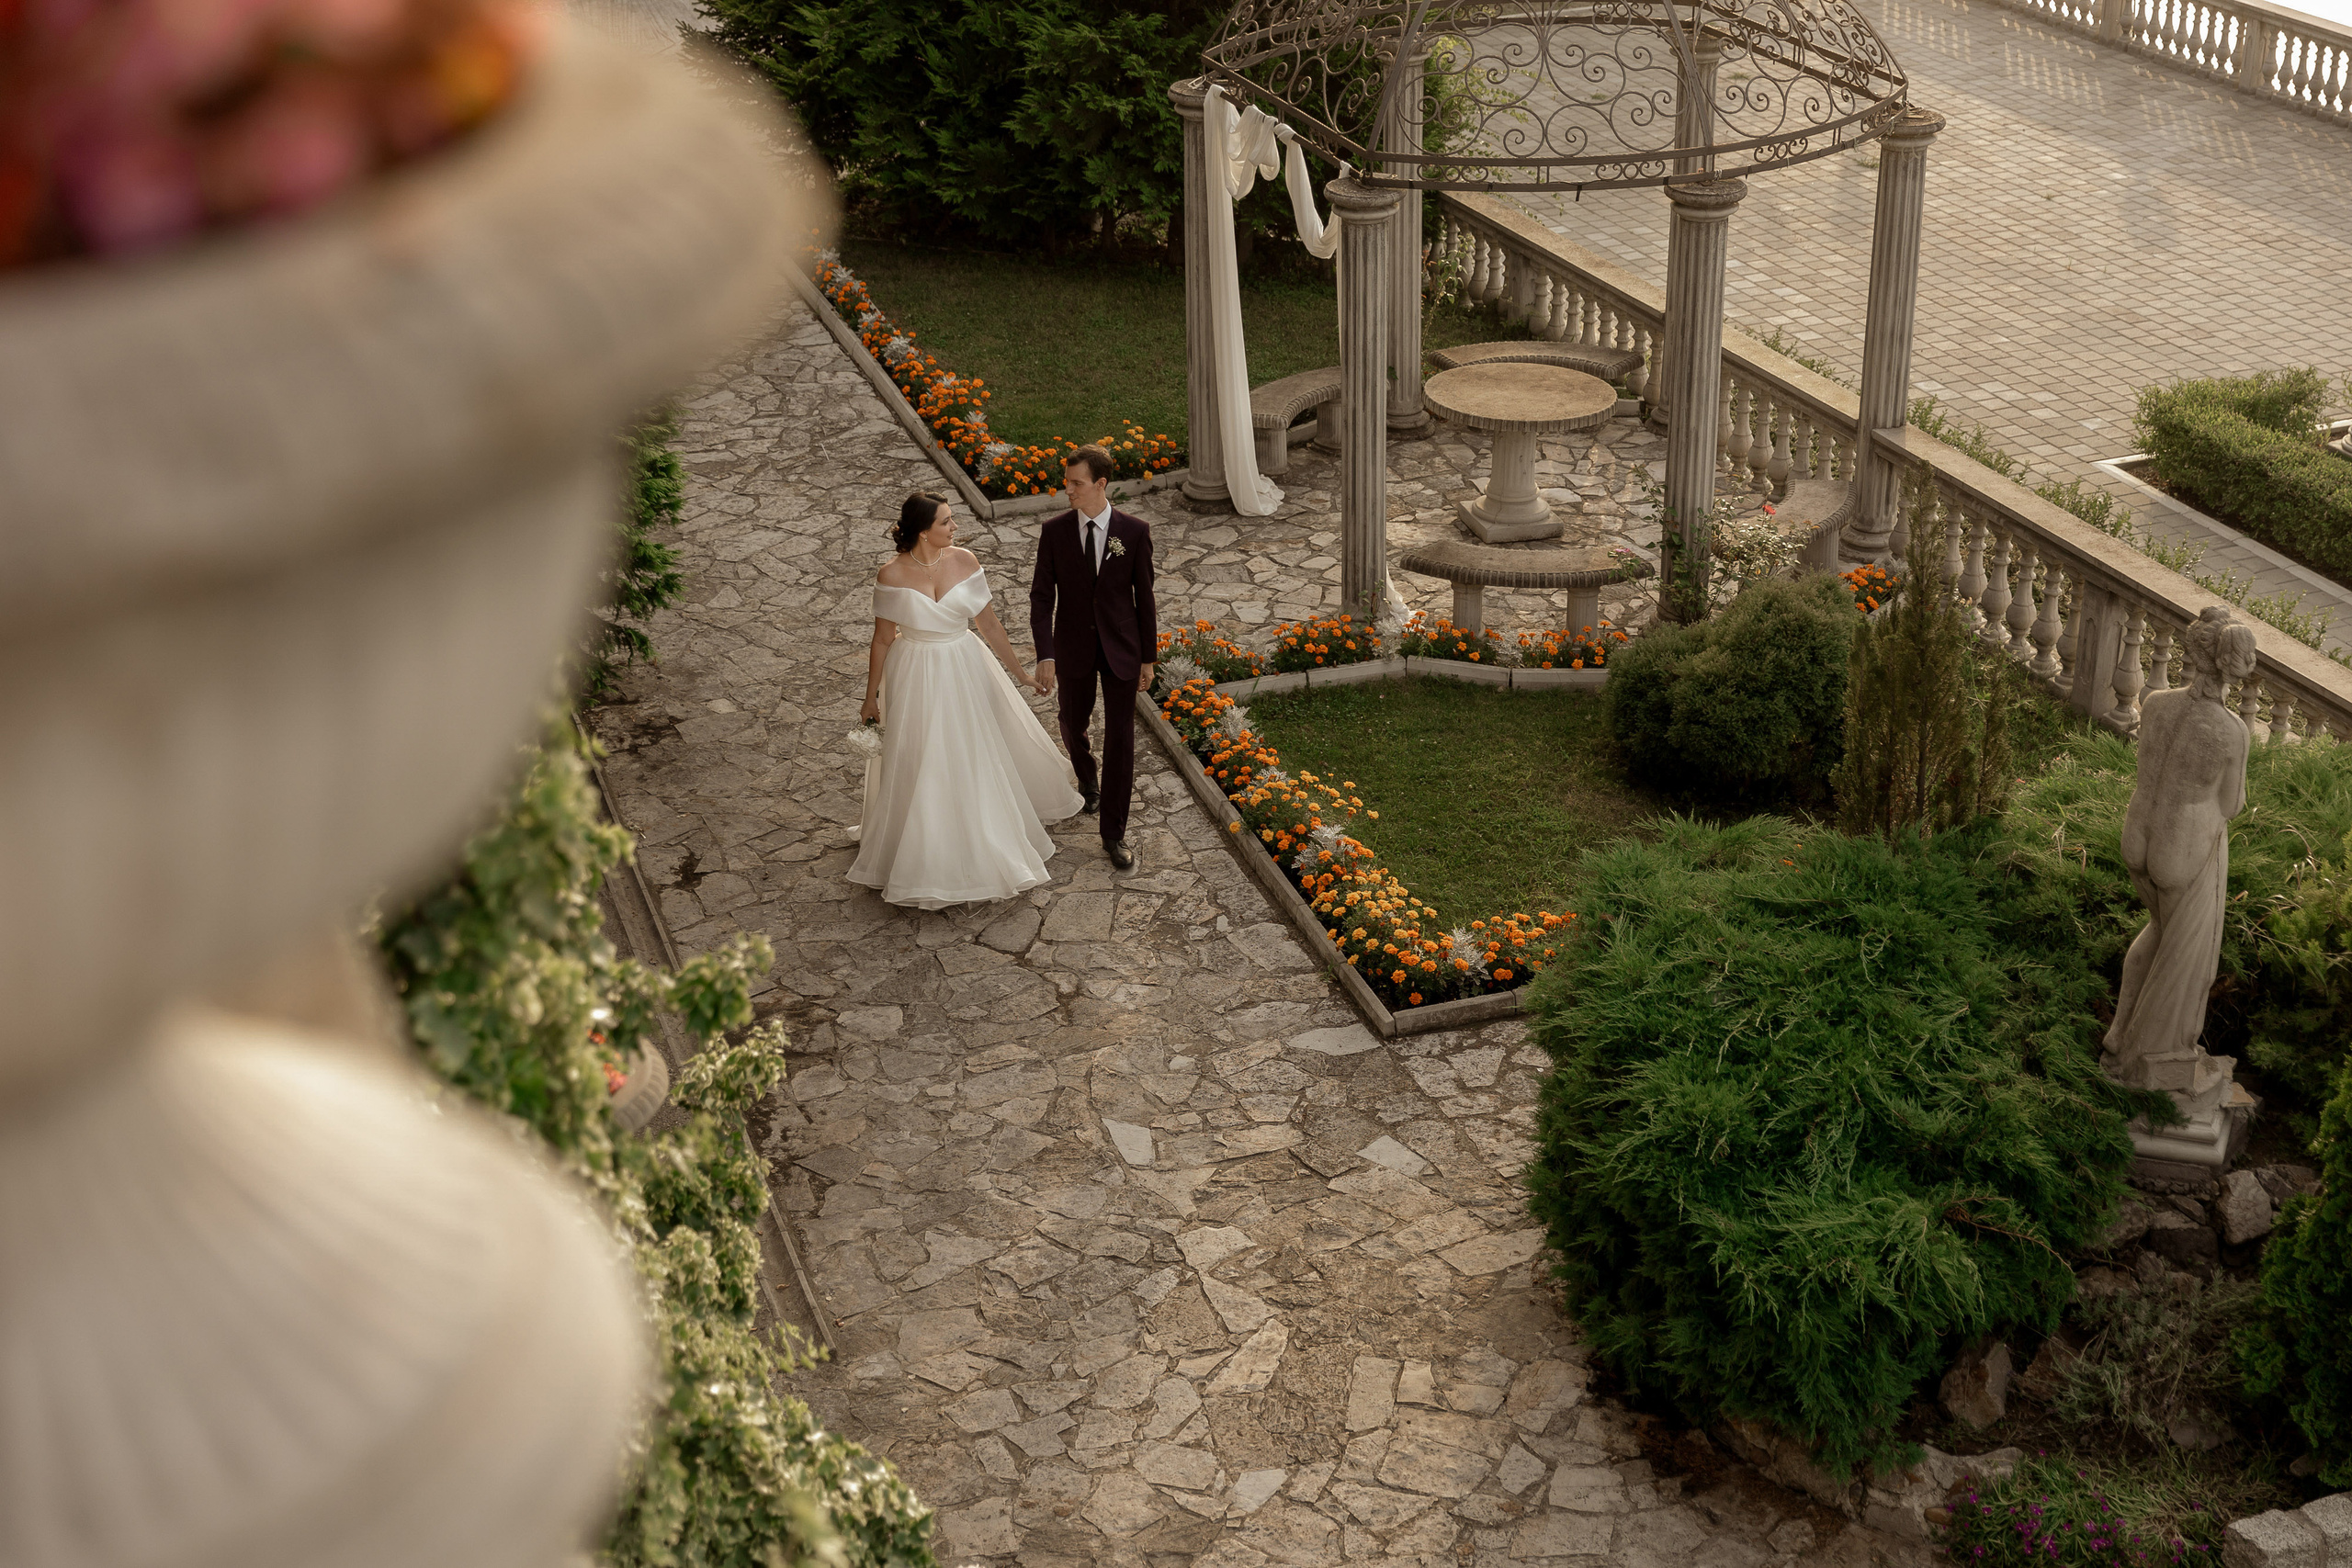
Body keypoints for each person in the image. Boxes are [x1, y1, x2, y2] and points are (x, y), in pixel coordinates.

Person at [847, 492, 1083, 909]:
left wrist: (1022, 675)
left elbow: (989, 625)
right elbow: (882, 639)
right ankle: (923, 847)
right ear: (924, 532)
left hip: (963, 664)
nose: (954, 527)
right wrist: (871, 698)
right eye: (946, 521)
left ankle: (981, 835)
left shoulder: (966, 561)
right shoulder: (891, 574)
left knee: (970, 751)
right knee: (921, 753)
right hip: (914, 672)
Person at [2104, 604, 2258, 1092]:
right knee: (2188, 958)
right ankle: (2157, 1060)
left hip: (2138, 835)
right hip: (2183, 849)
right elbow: (2232, 804)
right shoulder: (2231, 731)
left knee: (2158, 931)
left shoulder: (2157, 702)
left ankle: (2119, 1036)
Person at [1030, 445, 1157, 870]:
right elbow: (1041, 598)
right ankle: (1087, 777)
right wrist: (1046, 653)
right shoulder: (1054, 532)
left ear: (1101, 484)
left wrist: (1148, 657)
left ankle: (1113, 834)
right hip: (1073, 647)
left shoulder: (1134, 532)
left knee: (1121, 740)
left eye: (1076, 484)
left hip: (1122, 648)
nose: (1068, 490)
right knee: (1071, 721)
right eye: (1067, 482)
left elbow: (1145, 598)